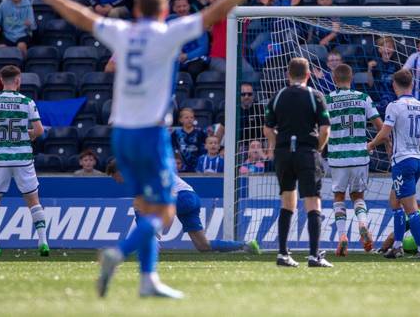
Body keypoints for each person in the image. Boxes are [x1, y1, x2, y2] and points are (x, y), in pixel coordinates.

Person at [37, 0, 272, 298]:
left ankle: (148, 279)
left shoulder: (122, 31)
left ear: (135, 9)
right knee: (162, 211)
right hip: (150, 133)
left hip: (120, 135)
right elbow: (215, 12)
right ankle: (118, 253)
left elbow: (83, 18)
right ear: (164, 12)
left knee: (146, 207)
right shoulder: (167, 33)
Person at [0, 65, 49, 258]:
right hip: (23, 158)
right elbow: (39, 131)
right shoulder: (27, 102)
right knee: (33, 201)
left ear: (2, 81)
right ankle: (43, 241)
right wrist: (26, 135)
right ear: (18, 80)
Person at [105, 159, 261, 253]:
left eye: (114, 176)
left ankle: (150, 242)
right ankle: (246, 245)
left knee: (138, 204)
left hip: (182, 197)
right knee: (203, 245)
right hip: (191, 197)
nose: (116, 180)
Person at [263, 57, 332, 268]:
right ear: (308, 75)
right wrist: (318, 148)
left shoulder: (278, 96)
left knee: (287, 201)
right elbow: (325, 129)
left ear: (288, 75)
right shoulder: (314, 96)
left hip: (284, 154)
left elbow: (268, 128)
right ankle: (313, 255)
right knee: (312, 201)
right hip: (306, 152)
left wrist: (276, 146)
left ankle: (283, 254)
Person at [367, 69, 420, 259]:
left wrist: (371, 145)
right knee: (394, 201)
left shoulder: (394, 106)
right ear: (412, 84)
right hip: (417, 160)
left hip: (402, 162)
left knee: (410, 208)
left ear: (394, 85)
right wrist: (414, 145)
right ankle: (397, 246)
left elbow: (385, 133)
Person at [325, 64, 388, 256]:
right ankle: (362, 225)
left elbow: (321, 128)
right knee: (358, 197)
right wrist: (383, 144)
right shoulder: (363, 98)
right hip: (360, 156)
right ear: (351, 78)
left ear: (334, 79)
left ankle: (342, 236)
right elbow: (381, 127)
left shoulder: (327, 100)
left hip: (337, 158)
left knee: (338, 197)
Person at [169, 0, 210, 80]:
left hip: (196, 58)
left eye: (184, 6)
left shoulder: (197, 22)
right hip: (176, 58)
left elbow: (203, 48)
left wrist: (187, 56)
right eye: (179, 6)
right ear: (174, 8)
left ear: (188, 6)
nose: (182, 9)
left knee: (193, 70)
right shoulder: (169, 21)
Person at [366, 36, 398, 114]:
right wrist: (369, 69)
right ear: (379, 49)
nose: (387, 49)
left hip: (392, 101)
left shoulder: (397, 65)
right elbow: (370, 84)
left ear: (393, 50)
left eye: (390, 47)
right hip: (377, 99)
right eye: (385, 47)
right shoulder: (375, 64)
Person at [172, 107, 207, 172]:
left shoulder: (200, 132)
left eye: (191, 117)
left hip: (197, 167)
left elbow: (205, 149)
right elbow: (173, 149)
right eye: (186, 117)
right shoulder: (176, 133)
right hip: (181, 168)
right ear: (181, 120)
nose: (189, 119)